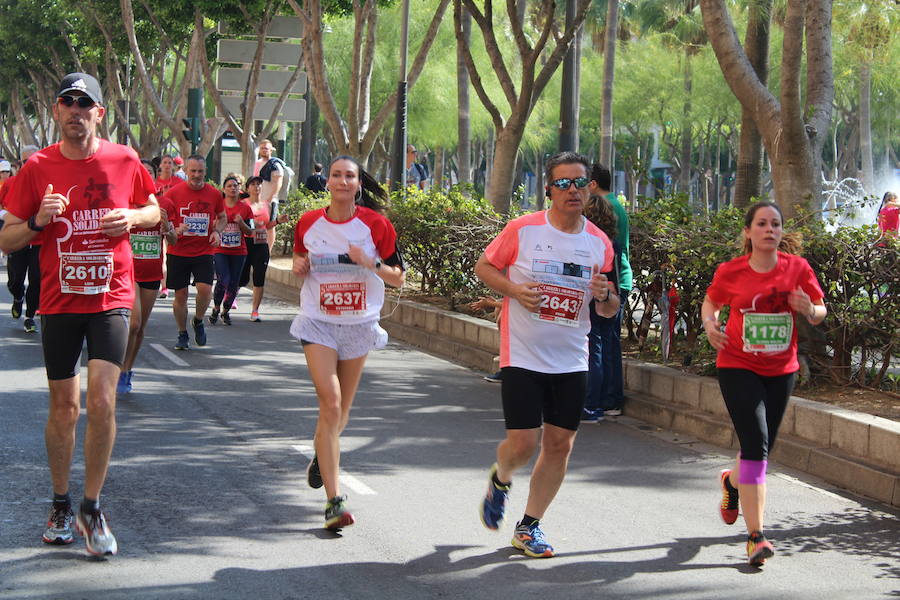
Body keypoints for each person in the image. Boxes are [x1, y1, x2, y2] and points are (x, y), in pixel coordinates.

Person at [0, 72, 160, 556]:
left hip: (110, 295)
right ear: (55, 112)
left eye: (84, 103)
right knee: (65, 409)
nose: (75, 110)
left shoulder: (124, 158)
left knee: (104, 401)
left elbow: (153, 211)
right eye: (66, 102)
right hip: (59, 300)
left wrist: (132, 218)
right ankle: (61, 502)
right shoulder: (37, 167)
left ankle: (92, 504)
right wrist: (36, 222)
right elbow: (7, 237)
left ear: (99, 113)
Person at [474, 151, 619, 558]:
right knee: (523, 444)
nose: (572, 191)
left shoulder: (599, 243)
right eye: (563, 183)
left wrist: (606, 296)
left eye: (579, 183)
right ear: (549, 189)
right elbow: (484, 267)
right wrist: (514, 291)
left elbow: (608, 307)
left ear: (590, 189)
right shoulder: (523, 229)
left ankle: (529, 527)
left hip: (572, 357)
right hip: (522, 353)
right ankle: (501, 478)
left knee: (559, 445)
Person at [701, 201, 826, 567]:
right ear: (749, 232)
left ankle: (732, 482)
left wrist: (808, 308)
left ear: (781, 232)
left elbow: (820, 311)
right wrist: (711, 327)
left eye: (775, 224)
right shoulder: (732, 272)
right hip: (737, 364)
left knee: (759, 448)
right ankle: (756, 535)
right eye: (761, 223)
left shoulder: (797, 269)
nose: (769, 229)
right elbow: (711, 305)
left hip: (781, 369)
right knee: (756, 445)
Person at [291, 155, 405, 530]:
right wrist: (299, 267)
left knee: (340, 417)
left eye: (349, 176)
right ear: (328, 182)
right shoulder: (309, 223)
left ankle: (320, 455)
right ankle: (334, 503)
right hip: (318, 322)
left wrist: (368, 263)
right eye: (336, 175)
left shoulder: (376, 225)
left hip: (358, 324)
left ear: (358, 184)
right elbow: (298, 258)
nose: (342, 181)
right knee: (331, 401)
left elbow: (399, 278)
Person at [581, 163, 632, 421]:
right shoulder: (614, 204)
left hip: (611, 282)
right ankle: (607, 400)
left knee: (600, 342)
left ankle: (601, 400)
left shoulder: (605, 206)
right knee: (606, 342)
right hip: (616, 280)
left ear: (592, 184)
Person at [119, 179, 176, 393]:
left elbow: (174, 240)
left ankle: (127, 369)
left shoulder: (164, 206)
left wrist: (167, 227)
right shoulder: (125, 204)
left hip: (151, 273)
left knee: (140, 327)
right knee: (133, 323)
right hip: (128, 271)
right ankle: (117, 365)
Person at [164, 155, 226, 350]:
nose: (196, 175)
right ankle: (182, 333)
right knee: (180, 295)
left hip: (204, 250)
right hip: (178, 251)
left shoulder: (214, 194)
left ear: (205, 172)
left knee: (205, 290)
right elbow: (165, 222)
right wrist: (175, 229)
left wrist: (217, 231)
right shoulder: (173, 194)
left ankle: (198, 320)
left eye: (200, 171)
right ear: (186, 171)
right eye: (193, 171)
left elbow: (222, 217)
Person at [239, 175, 289, 322]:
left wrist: (278, 221)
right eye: (253, 184)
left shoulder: (267, 204)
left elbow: (267, 226)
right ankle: (227, 304)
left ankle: (255, 311)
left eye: (259, 184)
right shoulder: (243, 204)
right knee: (241, 278)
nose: (257, 187)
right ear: (248, 188)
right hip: (245, 244)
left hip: (261, 244)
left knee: (259, 278)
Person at [3, 145, 42, 332]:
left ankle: (30, 317)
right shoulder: (11, 183)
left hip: (40, 241)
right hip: (18, 239)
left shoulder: (47, 182)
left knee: (37, 280)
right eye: (26, 161)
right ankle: (18, 297)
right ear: (20, 163)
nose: (31, 164)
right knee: (15, 280)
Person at [209, 175, 253, 325]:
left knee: (233, 283)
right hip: (220, 250)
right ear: (224, 189)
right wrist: (217, 223)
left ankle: (225, 311)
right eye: (229, 186)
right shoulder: (218, 205)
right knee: (224, 279)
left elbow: (250, 232)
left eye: (235, 185)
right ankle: (215, 307)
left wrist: (241, 222)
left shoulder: (245, 208)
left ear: (239, 188)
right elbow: (211, 227)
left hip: (239, 251)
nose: (233, 188)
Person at [254, 139, 286, 251]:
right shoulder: (257, 163)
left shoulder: (275, 165)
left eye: (266, 148)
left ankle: (268, 250)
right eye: (262, 148)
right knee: (258, 224)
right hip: (257, 200)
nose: (264, 150)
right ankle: (259, 250)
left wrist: (270, 197)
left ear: (271, 150)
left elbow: (279, 183)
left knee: (270, 226)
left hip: (270, 200)